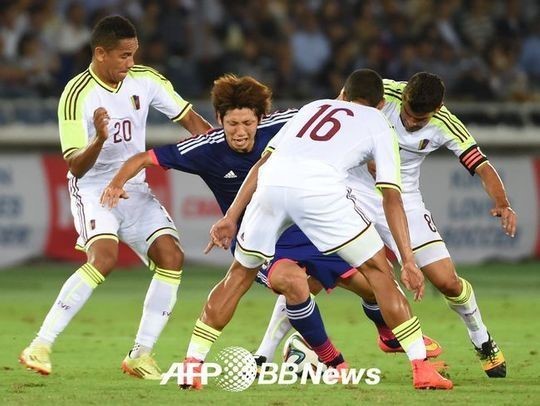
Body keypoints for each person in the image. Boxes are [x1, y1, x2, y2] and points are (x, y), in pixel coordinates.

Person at [101, 72, 443, 378]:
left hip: (291, 212)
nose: (240, 131)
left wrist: (231, 216)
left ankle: (385, 335)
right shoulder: (378, 123)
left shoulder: (304, 112)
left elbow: (265, 164)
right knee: (321, 279)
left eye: (248, 123)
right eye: (232, 124)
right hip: (301, 209)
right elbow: (391, 196)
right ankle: (350, 362)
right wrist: (408, 259)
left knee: (366, 284)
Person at [255, 72, 515, 378]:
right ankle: (263, 354)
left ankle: (481, 337)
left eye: (420, 119)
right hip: (351, 191)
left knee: (447, 282)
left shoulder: (446, 124)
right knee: (306, 275)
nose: (412, 122)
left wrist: (502, 202)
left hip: (404, 199)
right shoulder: (382, 93)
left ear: (437, 108)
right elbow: (338, 111)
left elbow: (481, 165)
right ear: (401, 98)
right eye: (408, 113)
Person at [19, 15, 212, 380]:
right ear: (100, 53)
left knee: (171, 257)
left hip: (135, 189)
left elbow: (191, 121)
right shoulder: (76, 94)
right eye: (124, 55)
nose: (130, 62)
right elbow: (76, 167)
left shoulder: (146, 79)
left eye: (133, 54)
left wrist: (224, 152)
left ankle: (141, 355)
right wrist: (99, 139)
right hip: (94, 190)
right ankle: (40, 344)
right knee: (104, 258)